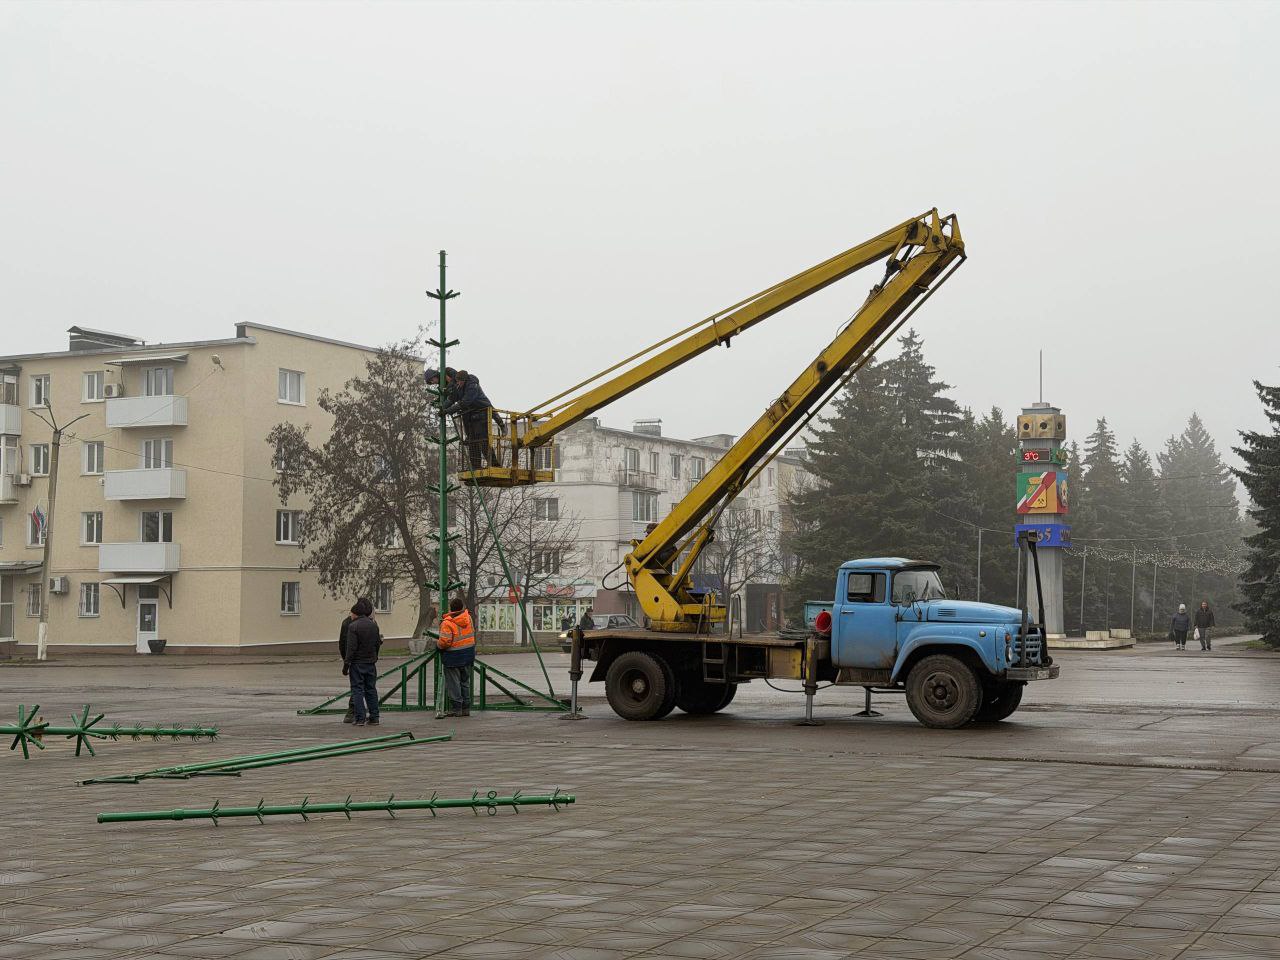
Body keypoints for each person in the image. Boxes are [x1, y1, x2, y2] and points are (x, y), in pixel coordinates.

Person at [442, 367, 496, 471]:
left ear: (464, 380)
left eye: (460, 382)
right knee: (472, 441)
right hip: (472, 416)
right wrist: (443, 407)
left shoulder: (472, 386)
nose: (458, 384)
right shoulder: (459, 386)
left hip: (482, 414)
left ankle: (494, 465)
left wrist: (448, 410)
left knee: (483, 441)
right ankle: (476, 466)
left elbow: (465, 402)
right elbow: (452, 399)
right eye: (457, 382)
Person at [343, 597, 381, 726]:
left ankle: (360, 718)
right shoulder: (373, 625)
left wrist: (346, 664)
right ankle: (374, 717)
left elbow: (351, 648)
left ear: (355, 613)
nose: (351, 616)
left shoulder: (353, 627)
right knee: (371, 689)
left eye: (352, 613)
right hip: (371, 663)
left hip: (357, 663)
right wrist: (375, 657)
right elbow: (377, 644)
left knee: (357, 690)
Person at [437, 595, 476, 717]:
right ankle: (466, 708)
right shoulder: (468, 618)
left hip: (453, 656)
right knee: (465, 681)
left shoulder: (447, 623)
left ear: (451, 608)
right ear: (461, 607)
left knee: (454, 683)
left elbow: (444, 642)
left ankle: (456, 708)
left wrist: (437, 646)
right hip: (468, 654)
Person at [338, 605, 359, 722]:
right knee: (362, 688)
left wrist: (346, 661)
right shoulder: (369, 623)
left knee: (357, 687)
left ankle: (354, 713)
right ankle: (355, 713)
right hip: (362, 661)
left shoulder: (347, 623)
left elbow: (342, 644)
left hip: (353, 660)